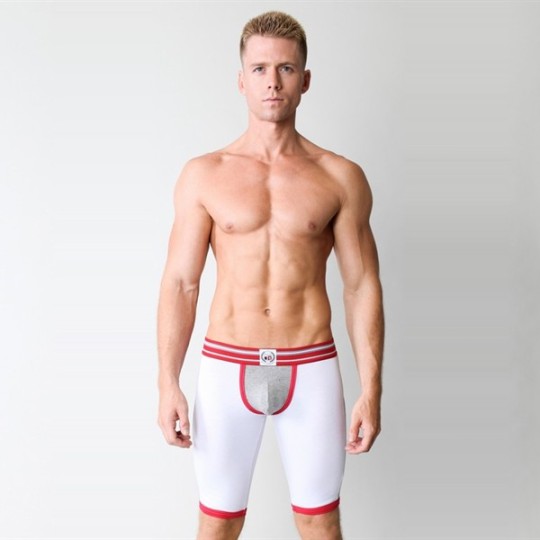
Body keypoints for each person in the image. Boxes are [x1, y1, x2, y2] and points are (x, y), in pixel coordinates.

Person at [157, 11, 384, 540]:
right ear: (241, 80)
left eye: (285, 68)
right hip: (226, 366)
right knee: (217, 525)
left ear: (305, 80)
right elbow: (180, 283)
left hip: (310, 366)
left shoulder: (340, 177)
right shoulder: (204, 175)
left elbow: (361, 286)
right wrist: (168, 381)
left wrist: (371, 388)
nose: (272, 82)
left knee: (320, 524)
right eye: (259, 69)